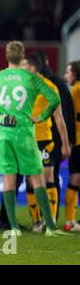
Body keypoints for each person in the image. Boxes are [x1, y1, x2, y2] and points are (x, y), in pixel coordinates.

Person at [0, 41, 71, 237]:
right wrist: (41, 117)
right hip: (24, 133)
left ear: (6, 56)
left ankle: (14, 227)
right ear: (22, 55)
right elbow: (54, 99)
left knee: (9, 179)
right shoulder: (32, 78)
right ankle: (50, 226)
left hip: (3, 134)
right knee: (37, 178)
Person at [20, 53, 70, 230]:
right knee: (31, 180)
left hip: (43, 139)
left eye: (24, 65)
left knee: (47, 178)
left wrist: (65, 143)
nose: (21, 68)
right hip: (25, 139)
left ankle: (50, 220)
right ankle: (37, 221)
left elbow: (59, 118)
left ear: (33, 68)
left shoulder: (49, 87)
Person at [63, 61, 80, 232]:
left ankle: (70, 220)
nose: (66, 76)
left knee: (74, 181)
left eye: (68, 72)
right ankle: (70, 220)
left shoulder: (74, 92)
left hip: (78, 143)